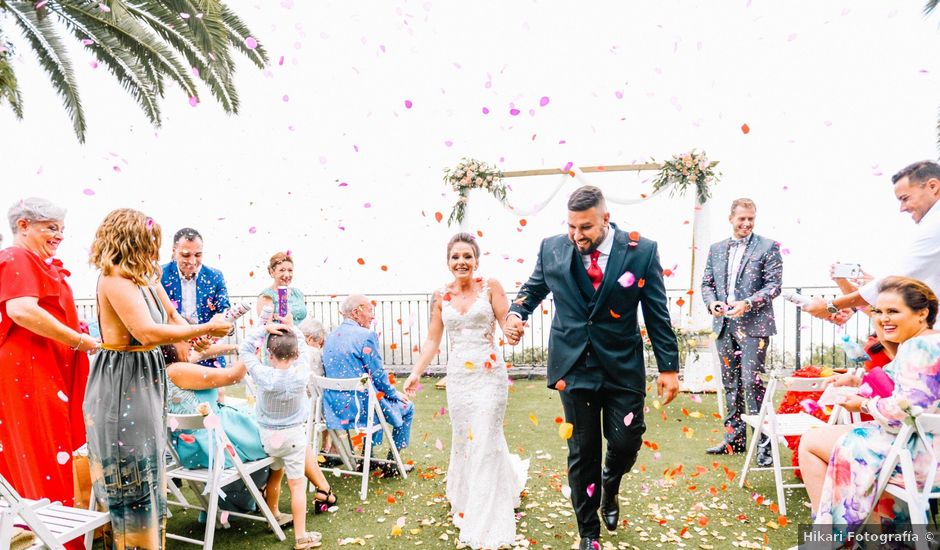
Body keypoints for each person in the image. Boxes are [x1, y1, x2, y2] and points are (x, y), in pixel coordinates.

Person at [504, 185, 680, 550]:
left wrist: (668, 367)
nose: (576, 235)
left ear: (605, 219)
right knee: (582, 453)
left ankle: (610, 484)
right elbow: (533, 290)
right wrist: (515, 314)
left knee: (626, 440)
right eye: (571, 226)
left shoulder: (641, 251)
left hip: (622, 365)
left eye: (584, 227)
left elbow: (657, 312)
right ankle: (588, 534)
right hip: (574, 366)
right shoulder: (551, 247)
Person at [83, 209, 232, 549]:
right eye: (151, 241)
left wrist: (194, 337)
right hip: (122, 381)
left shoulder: (146, 277)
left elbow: (172, 316)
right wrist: (206, 327)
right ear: (131, 240)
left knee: (149, 466)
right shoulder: (114, 279)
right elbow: (145, 331)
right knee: (130, 470)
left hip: (145, 377)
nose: (155, 249)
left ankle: (151, 543)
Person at [402, 233, 529, 549]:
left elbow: (506, 322)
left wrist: (513, 332)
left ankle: (484, 518)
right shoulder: (440, 296)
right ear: (448, 262)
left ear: (476, 260)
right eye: (455, 257)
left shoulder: (491, 287)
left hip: (489, 376)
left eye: (467, 256)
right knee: (465, 439)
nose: (461, 262)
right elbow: (433, 340)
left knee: (485, 437)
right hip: (458, 378)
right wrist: (416, 372)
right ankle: (468, 495)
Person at [801, 276, 940, 532]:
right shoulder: (931, 341)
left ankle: (829, 535)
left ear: (922, 313)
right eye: (879, 311)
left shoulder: (916, 346)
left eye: (893, 312)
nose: (883, 319)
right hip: (929, 450)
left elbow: (905, 413)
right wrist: (855, 379)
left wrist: (864, 405)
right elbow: (897, 381)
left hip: (921, 461)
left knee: (810, 443)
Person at [0, 198, 98, 550]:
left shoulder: (35, 261)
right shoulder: (17, 257)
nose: (58, 235)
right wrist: (79, 340)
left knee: (47, 452)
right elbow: (22, 309)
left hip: (43, 370)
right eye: (50, 227)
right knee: (42, 452)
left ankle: (41, 532)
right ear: (23, 226)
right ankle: (53, 537)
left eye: (61, 228)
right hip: (30, 372)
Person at [164, 338, 338, 516]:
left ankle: (311, 490)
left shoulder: (162, 367)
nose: (190, 344)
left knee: (277, 429)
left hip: (194, 447)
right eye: (184, 340)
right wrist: (250, 347)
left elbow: (200, 352)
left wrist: (235, 347)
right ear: (169, 344)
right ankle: (323, 491)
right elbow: (235, 376)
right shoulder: (178, 369)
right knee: (287, 433)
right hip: (217, 445)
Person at [805, 161, 940, 327]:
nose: (902, 208)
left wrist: (832, 306)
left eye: (905, 198)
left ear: (933, 186)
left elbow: (896, 281)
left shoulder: (935, 224)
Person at [700, 198, 783, 466]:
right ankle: (733, 440)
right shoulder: (716, 249)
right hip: (724, 326)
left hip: (754, 326)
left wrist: (748, 303)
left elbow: (774, 286)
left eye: (751, 219)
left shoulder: (769, 247)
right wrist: (712, 303)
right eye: (742, 219)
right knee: (730, 384)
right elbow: (707, 284)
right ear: (731, 219)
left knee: (751, 382)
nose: (746, 223)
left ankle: (763, 445)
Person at [239, 324, 322, 549]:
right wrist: (292, 327)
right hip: (293, 437)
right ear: (295, 355)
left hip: (268, 437)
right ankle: (301, 537)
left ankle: (273, 516)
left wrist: (264, 328)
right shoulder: (302, 371)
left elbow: (245, 349)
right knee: (296, 486)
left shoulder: (262, 373)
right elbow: (304, 348)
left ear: (269, 354)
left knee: (275, 474)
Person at [321, 295, 414, 474]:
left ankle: (367, 459)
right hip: (361, 408)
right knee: (407, 407)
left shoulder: (331, 336)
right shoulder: (367, 336)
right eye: (370, 311)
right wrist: (394, 393)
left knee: (373, 397)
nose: (372, 317)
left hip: (334, 408)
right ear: (356, 312)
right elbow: (377, 375)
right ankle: (393, 462)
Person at [161, 227, 232, 367]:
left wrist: (217, 323)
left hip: (207, 350)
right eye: (186, 255)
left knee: (216, 389)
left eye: (198, 255)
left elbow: (223, 310)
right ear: (174, 251)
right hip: (172, 352)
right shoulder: (159, 275)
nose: (192, 261)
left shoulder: (215, 276)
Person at [257, 252, 307, 325]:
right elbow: (266, 325)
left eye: (290, 270)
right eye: (282, 270)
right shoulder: (267, 296)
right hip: (281, 336)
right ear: (272, 272)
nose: (287, 275)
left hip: (302, 335)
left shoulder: (297, 293)